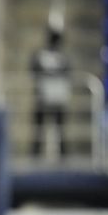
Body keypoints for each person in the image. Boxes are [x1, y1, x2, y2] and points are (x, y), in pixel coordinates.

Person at [31, 25, 71, 158]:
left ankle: (62, 151)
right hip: (44, 95)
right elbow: (33, 69)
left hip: (58, 95)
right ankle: (36, 151)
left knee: (59, 125)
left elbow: (68, 71)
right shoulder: (41, 55)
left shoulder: (63, 57)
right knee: (40, 125)